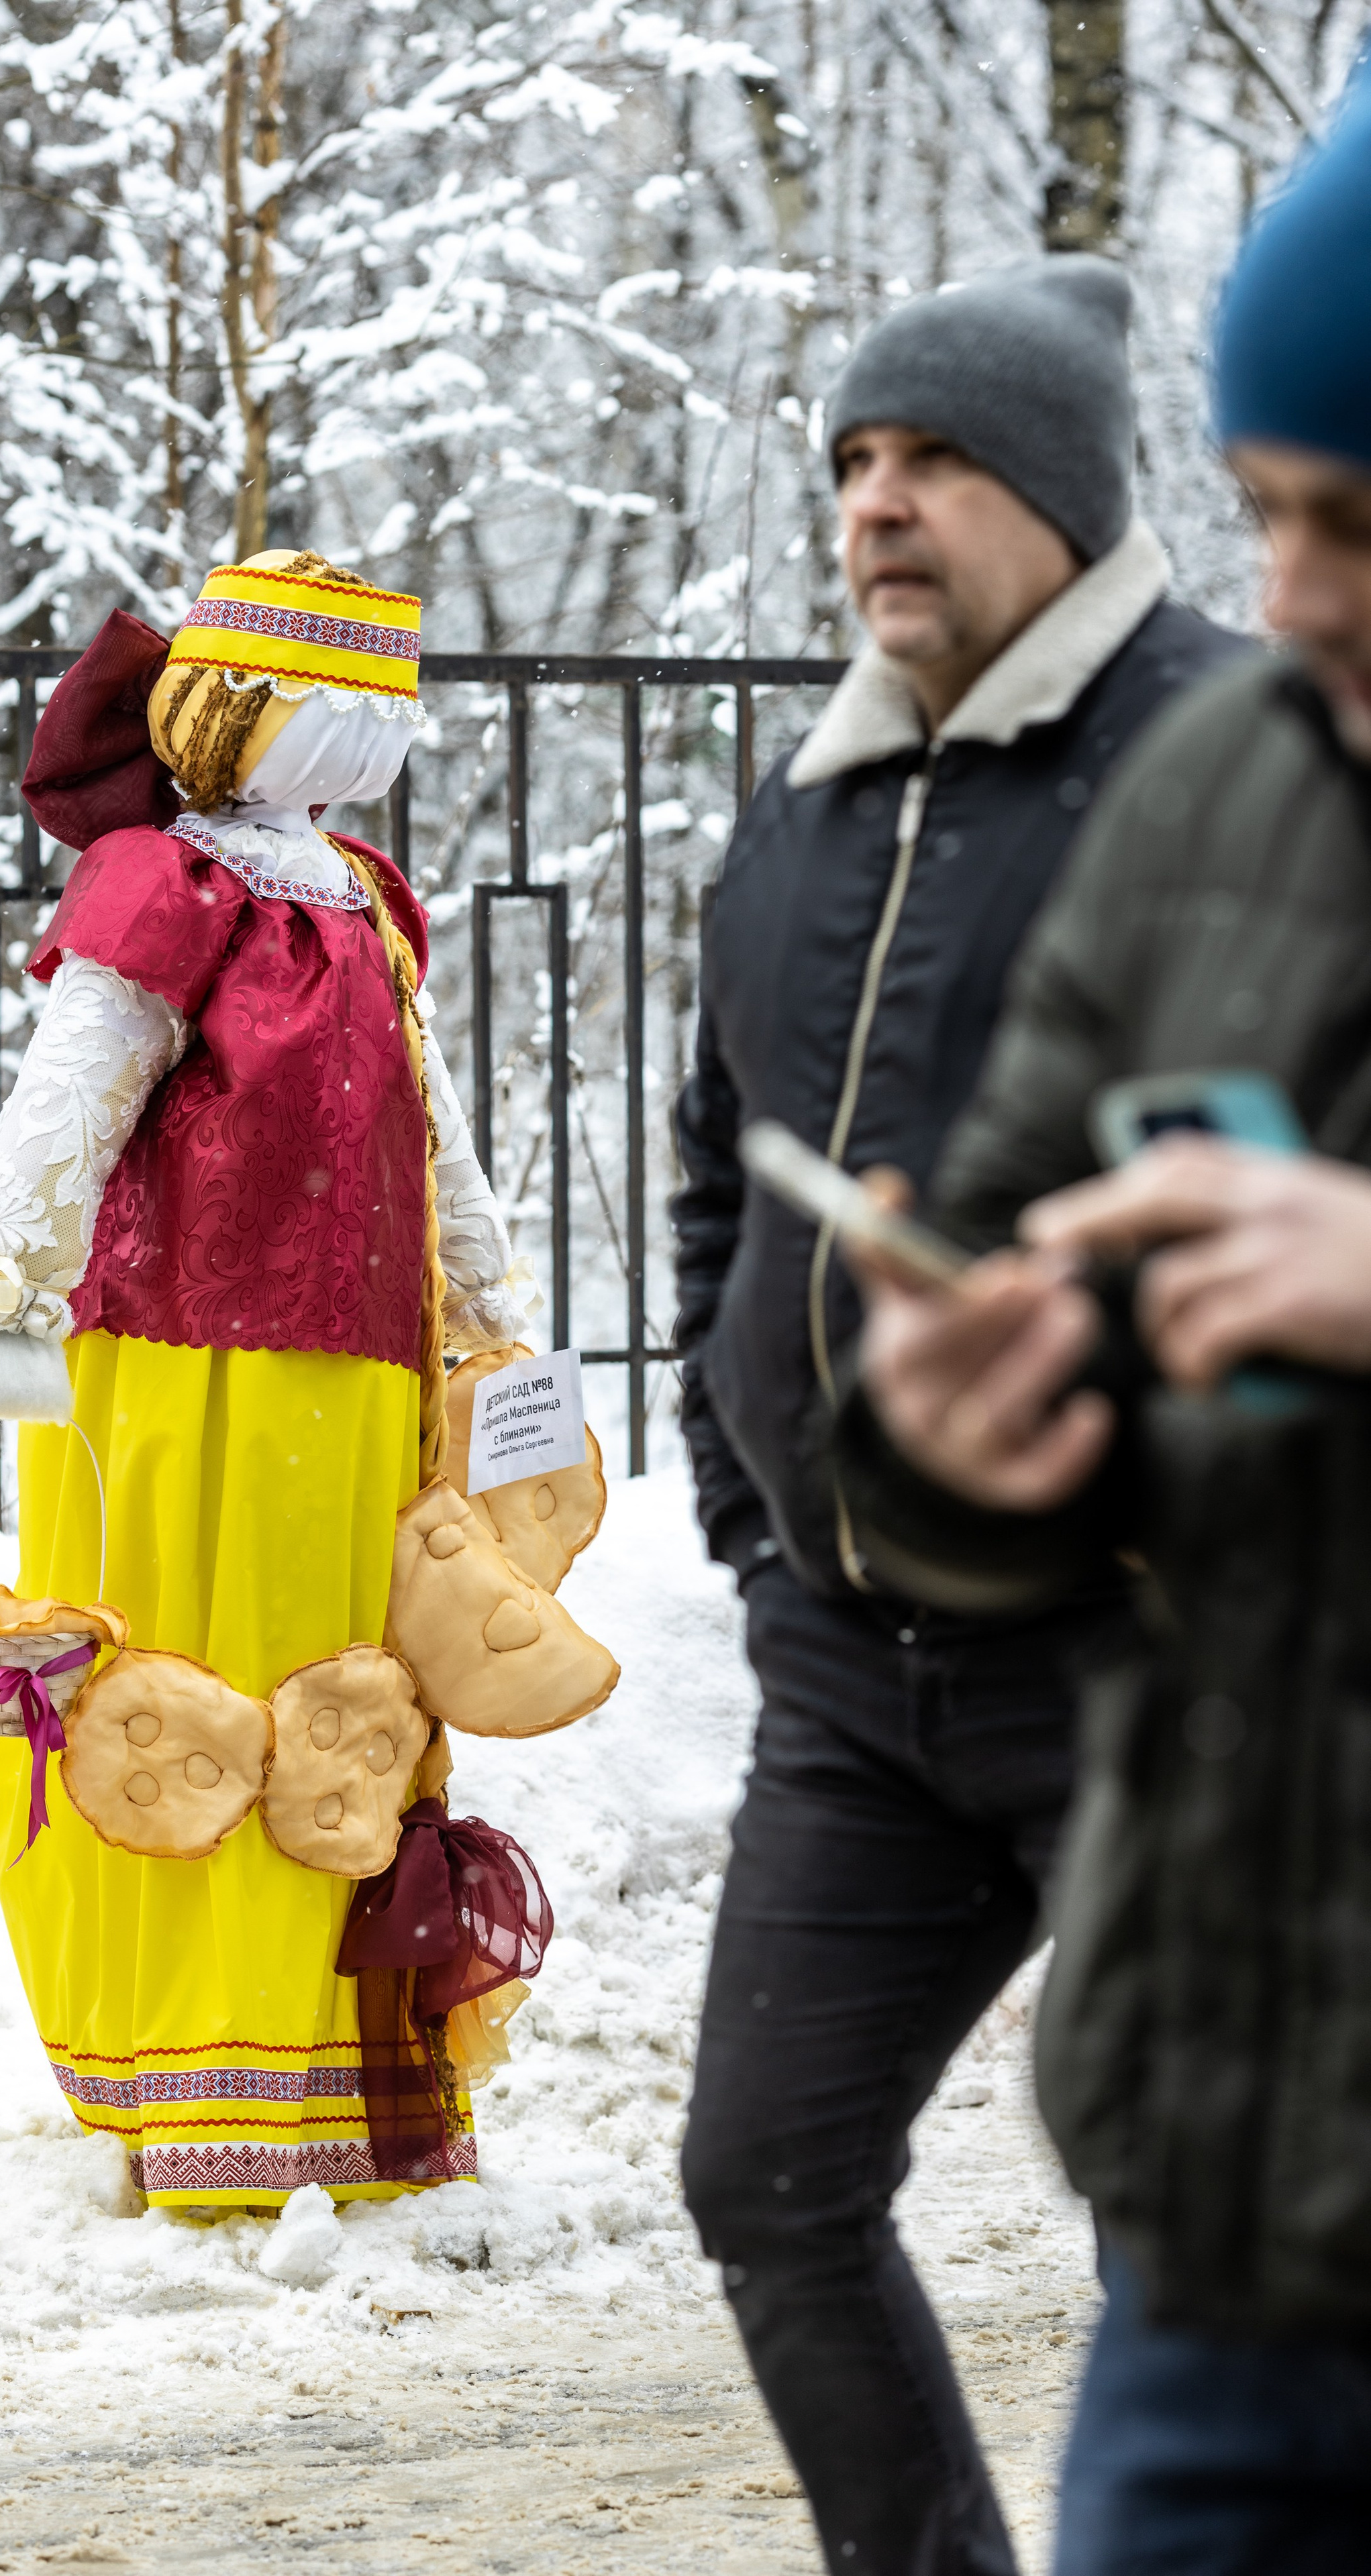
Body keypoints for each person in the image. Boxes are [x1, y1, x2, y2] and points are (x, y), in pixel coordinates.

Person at [837, 91, 1371, 2574]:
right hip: (1235, 2211)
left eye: (1362, 526)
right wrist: (966, 1435)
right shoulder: (1233, 787)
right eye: (1266, 512)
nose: (1297, 600)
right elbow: (1030, 1263)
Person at [671, 259, 1243, 2575]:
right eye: (854, 468)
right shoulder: (808, 808)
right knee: (767, 2173)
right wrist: (747, 1504)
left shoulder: (1231, 768)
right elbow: (723, 1165)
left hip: (1147, 1653)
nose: (878, 509)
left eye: (933, 463)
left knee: (1178, 2221)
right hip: (855, 1666)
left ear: (1069, 498)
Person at [0, 547, 529, 2207]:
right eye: (331, 708)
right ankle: (187, 2057)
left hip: (354, 1390)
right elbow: (73, 1087)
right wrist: (4, 1285)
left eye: (377, 716)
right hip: (179, 1374)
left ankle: (322, 2066)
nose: (360, 744)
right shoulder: (164, 889)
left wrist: (484, 1298)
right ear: (238, 709)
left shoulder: (365, 903)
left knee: (343, 1701)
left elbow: (430, 1122)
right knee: (182, 1699)